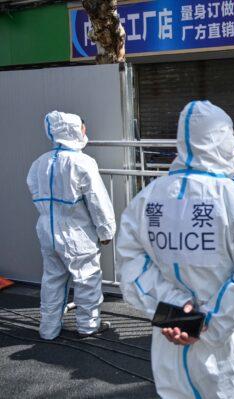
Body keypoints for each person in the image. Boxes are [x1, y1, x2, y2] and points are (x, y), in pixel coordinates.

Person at [117, 101, 234, 399]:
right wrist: (205, 326)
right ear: (225, 140)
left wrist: (178, 315)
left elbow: (130, 266)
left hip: (172, 342)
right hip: (229, 345)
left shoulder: (146, 200)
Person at [27, 111, 116, 340]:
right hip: (76, 232)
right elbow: (97, 201)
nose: (85, 131)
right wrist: (106, 231)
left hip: (47, 229)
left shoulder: (40, 162)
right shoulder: (83, 162)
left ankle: (48, 329)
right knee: (87, 280)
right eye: (83, 128)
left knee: (52, 280)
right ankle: (88, 326)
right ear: (74, 130)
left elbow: (35, 192)